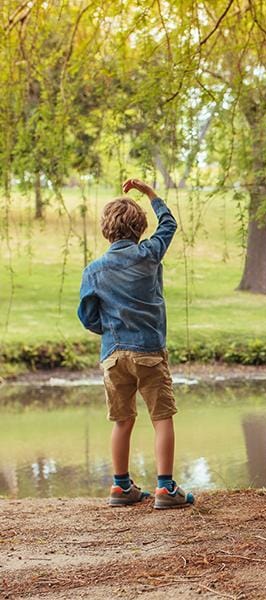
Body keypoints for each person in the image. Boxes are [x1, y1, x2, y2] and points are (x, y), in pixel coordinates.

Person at [77, 178, 194, 509]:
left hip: (113, 356)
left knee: (122, 420)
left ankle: (120, 486)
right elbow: (169, 223)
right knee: (162, 418)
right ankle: (166, 488)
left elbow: (87, 316)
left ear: (106, 230)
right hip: (149, 353)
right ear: (140, 228)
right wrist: (150, 193)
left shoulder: (94, 269)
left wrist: (111, 330)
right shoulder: (149, 254)